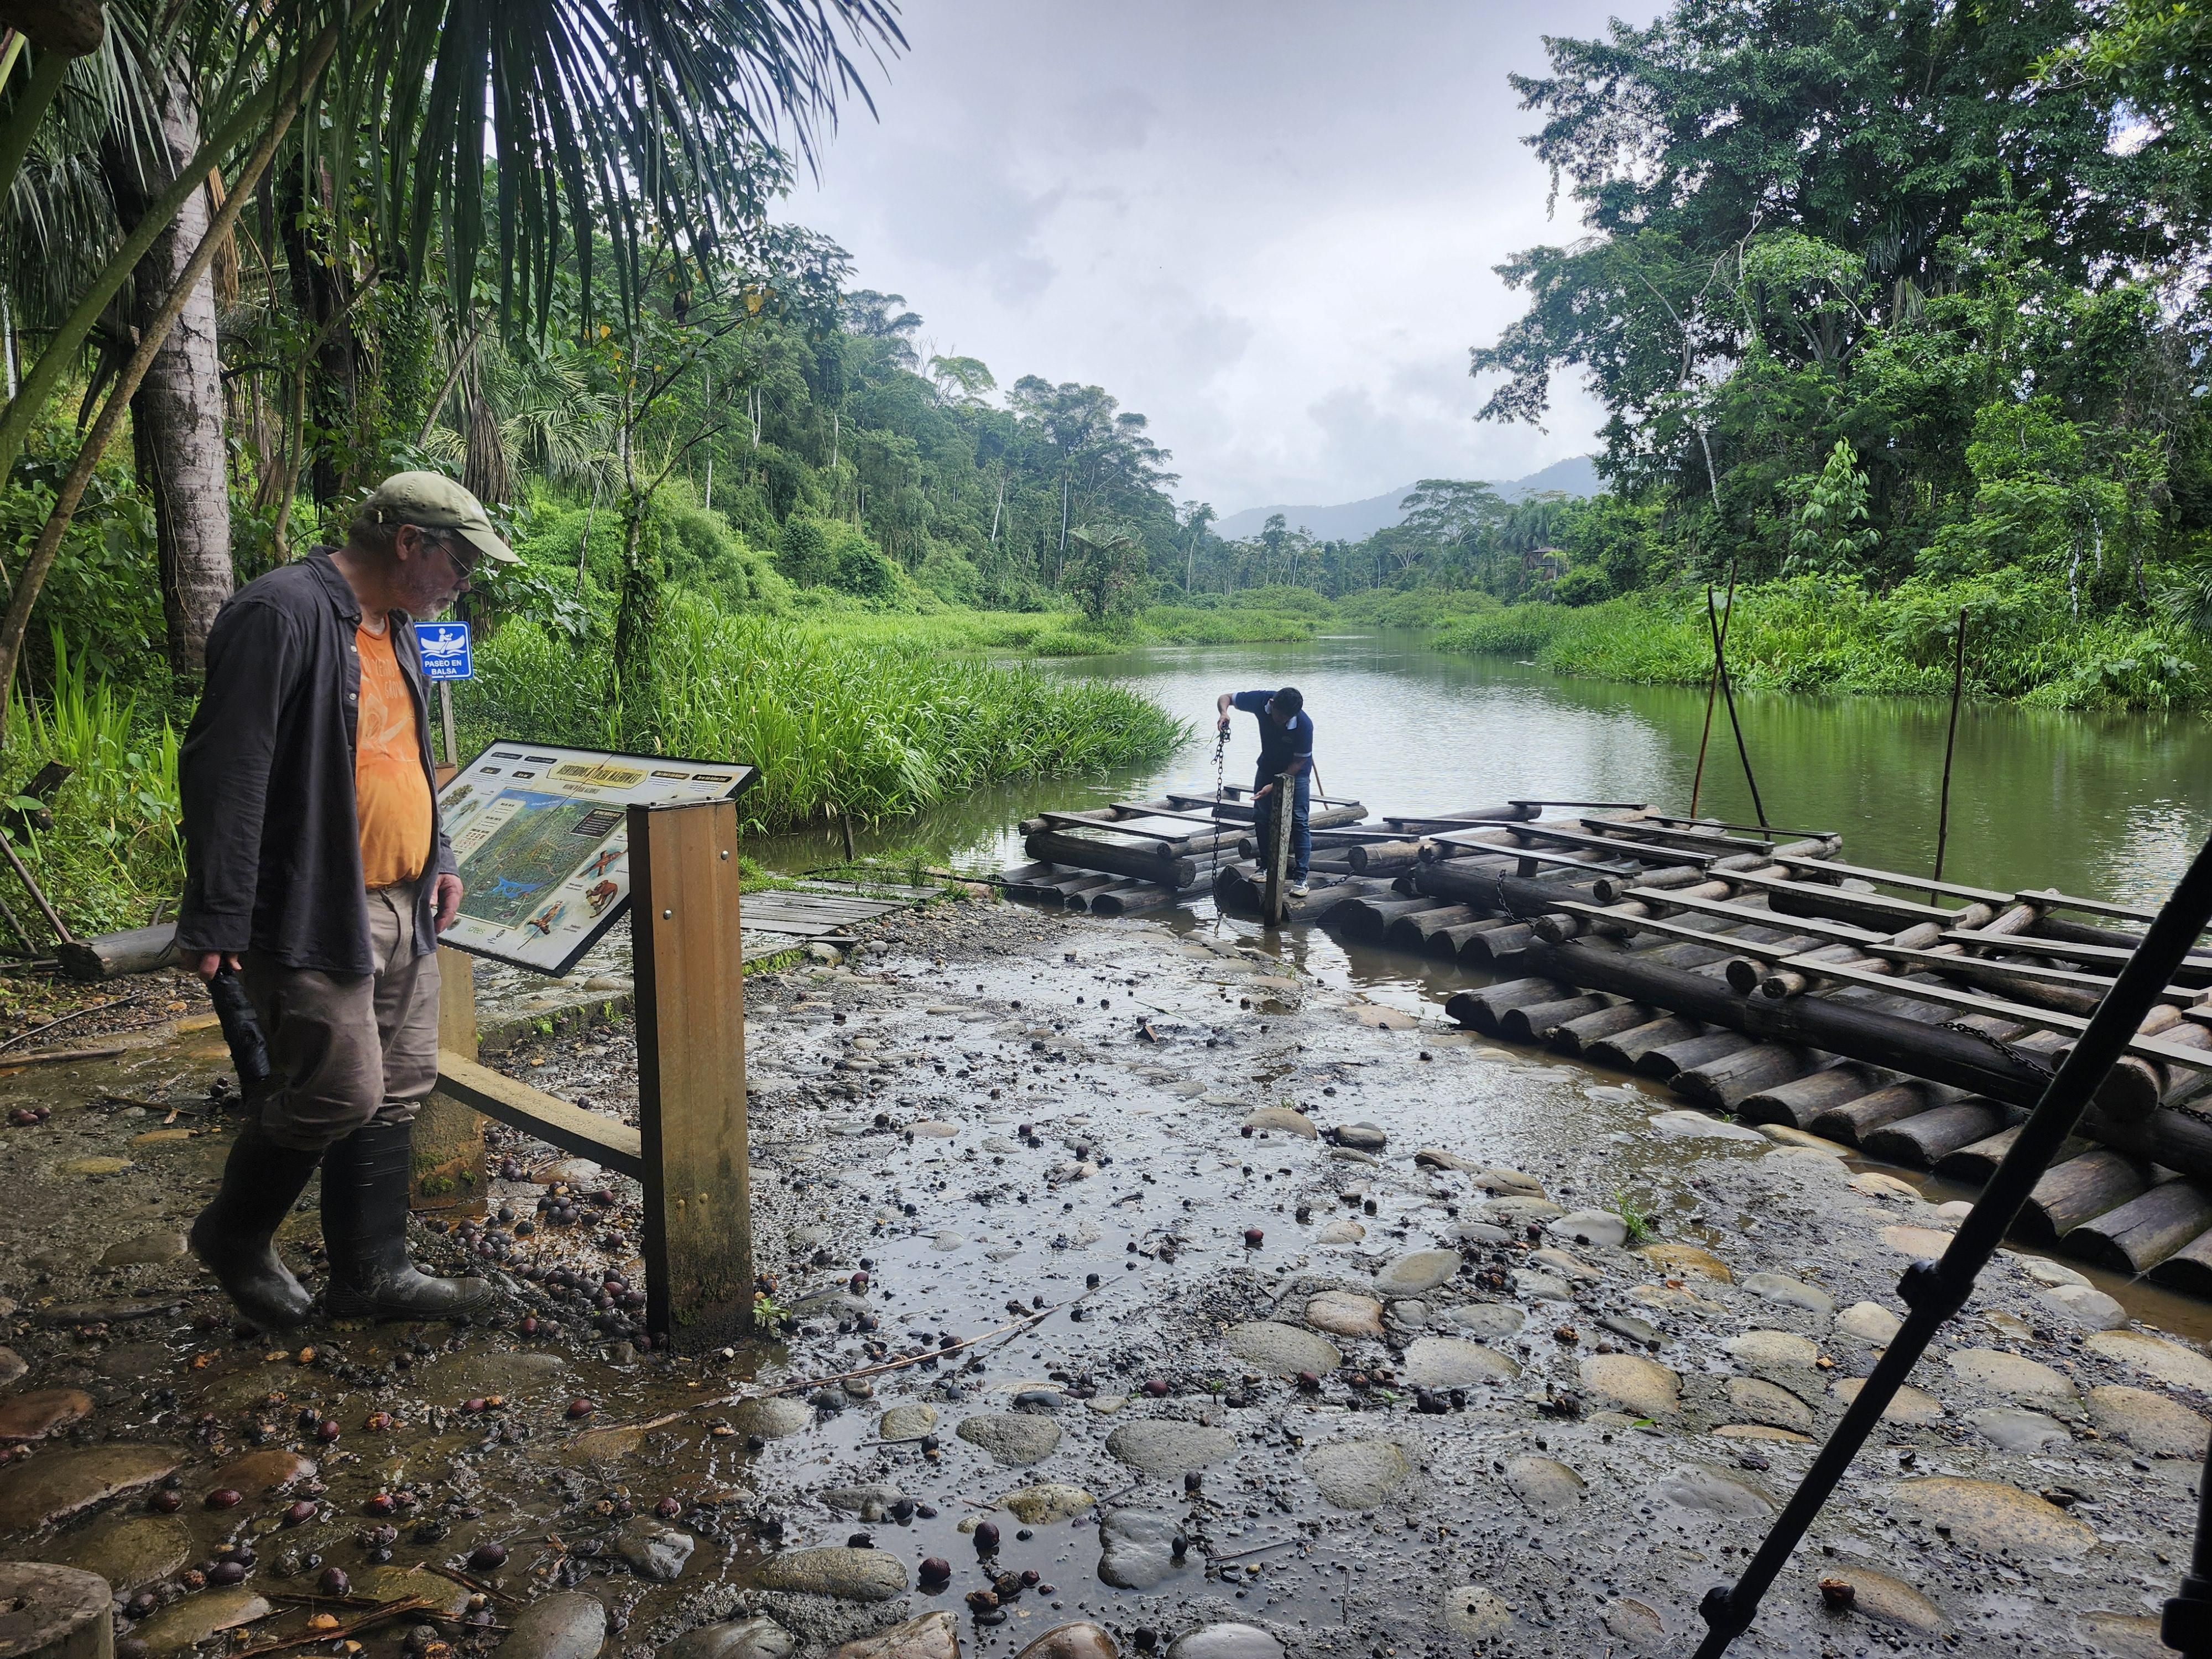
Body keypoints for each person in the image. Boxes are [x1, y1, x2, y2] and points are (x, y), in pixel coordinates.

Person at [176, 472, 520, 1328]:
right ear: (408, 542)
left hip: (407, 899)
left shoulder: (399, 629)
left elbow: (409, 758)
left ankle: (373, 1275)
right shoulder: (280, 612)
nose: (466, 581)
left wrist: (440, 855)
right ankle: (233, 1236)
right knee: (340, 1089)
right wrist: (218, 913)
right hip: (315, 903)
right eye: (461, 562)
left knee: (401, 1084)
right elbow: (228, 770)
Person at [1215, 685, 1315, 895]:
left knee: (1299, 820)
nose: (1283, 722)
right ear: (1272, 705)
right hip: (1267, 767)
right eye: (1280, 717)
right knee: (1261, 816)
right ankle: (1266, 867)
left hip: (1297, 772)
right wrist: (1224, 713)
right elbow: (1225, 697)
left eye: (1288, 719)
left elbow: (1299, 762)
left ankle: (1301, 878)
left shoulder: (1304, 725)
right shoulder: (1261, 700)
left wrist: (1275, 785)